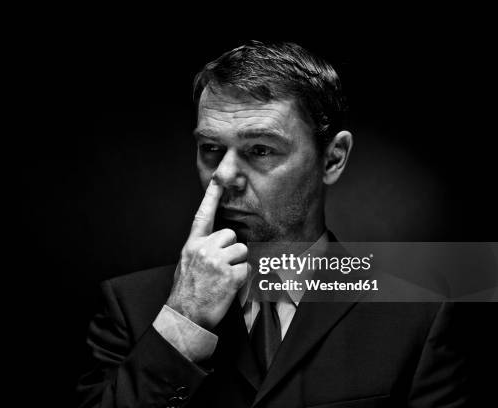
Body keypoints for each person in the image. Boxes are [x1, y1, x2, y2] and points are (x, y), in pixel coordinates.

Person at [77, 41, 467, 407]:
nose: (225, 175)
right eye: (211, 149)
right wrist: (183, 322)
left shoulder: (417, 313)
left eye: (260, 150)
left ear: (333, 159)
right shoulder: (131, 306)